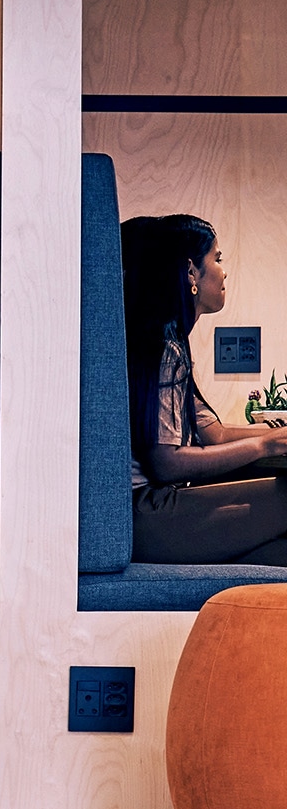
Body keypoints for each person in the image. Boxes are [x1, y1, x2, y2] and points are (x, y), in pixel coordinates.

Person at [123, 211, 287, 565]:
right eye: (217, 258)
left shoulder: (168, 342)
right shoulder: (163, 347)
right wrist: (267, 443)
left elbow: (214, 434)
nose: (223, 271)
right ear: (190, 272)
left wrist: (276, 433)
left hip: (147, 514)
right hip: (144, 514)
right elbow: (166, 464)